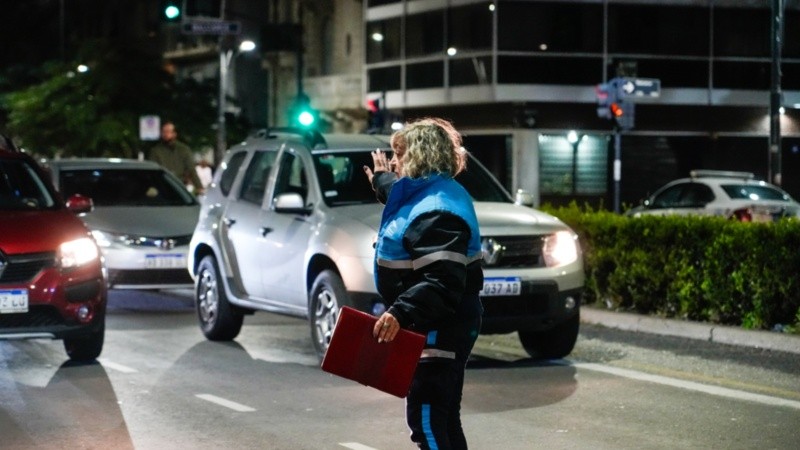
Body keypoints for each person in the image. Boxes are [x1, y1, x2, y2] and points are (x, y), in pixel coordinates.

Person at [363, 117, 484, 450]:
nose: (394, 163)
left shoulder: (436, 211)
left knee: (427, 421)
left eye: (400, 156)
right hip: (441, 320)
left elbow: (441, 280)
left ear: (418, 157)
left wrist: (399, 312)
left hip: (439, 325)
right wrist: (382, 182)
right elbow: (403, 196)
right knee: (444, 417)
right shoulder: (433, 191)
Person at [149, 121, 204, 194]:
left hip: (179, 186)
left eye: (168, 131)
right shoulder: (156, 151)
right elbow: (153, 170)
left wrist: (199, 187)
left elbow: (191, 170)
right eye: (163, 132)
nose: (165, 134)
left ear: (174, 134)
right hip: (162, 187)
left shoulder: (184, 150)